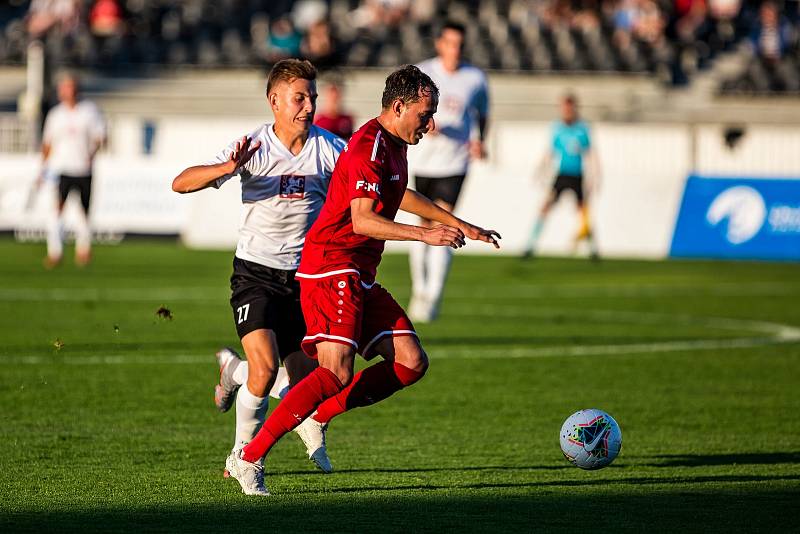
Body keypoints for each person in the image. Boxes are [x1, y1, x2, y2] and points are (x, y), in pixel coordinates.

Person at [225, 64, 501, 496]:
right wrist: (425, 234)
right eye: (424, 115)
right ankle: (249, 455)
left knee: (411, 362)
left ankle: (318, 416)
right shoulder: (370, 147)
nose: (430, 124)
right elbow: (363, 219)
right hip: (331, 266)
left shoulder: (395, 145)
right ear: (398, 106)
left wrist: (460, 223)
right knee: (334, 371)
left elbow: (399, 196)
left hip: (358, 272)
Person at [172, 59, 347, 485]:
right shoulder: (251, 146)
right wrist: (227, 169)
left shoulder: (330, 149)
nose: (308, 106)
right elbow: (181, 182)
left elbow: (369, 189)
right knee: (267, 369)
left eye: (312, 97)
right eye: (299, 98)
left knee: (313, 383)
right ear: (274, 101)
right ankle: (244, 459)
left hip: (306, 280)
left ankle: (233, 372)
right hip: (256, 275)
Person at [407, 21, 490, 323]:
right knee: (424, 224)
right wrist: (425, 123)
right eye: (450, 43)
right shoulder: (423, 72)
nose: (455, 49)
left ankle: (434, 293)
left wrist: (482, 142)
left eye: (460, 44)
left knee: (446, 219)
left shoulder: (475, 78)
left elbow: (484, 113)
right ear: (440, 44)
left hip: (455, 163)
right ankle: (420, 290)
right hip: (425, 161)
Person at [40, 71, 106, 268]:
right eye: (64, 87)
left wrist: (91, 155)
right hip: (62, 168)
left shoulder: (89, 111)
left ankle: (83, 250)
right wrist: (43, 167)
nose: (67, 91)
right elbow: (47, 143)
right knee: (58, 209)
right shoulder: (56, 114)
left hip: (84, 169)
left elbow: (100, 137)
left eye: (70, 87)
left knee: (84, 211)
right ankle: (55, 251)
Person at [523, 93, 600, 259]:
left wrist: (595, 176)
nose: (566, 111)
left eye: (569, 107)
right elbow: (550, 152)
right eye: (564, 107)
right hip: (562, 174)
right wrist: (540, 169)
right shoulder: (557, 128)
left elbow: (590, 153)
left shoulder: (582, 129)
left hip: (577, 175)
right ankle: (530, 246)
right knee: (545, 207)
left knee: (583, 212)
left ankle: (593, 249)